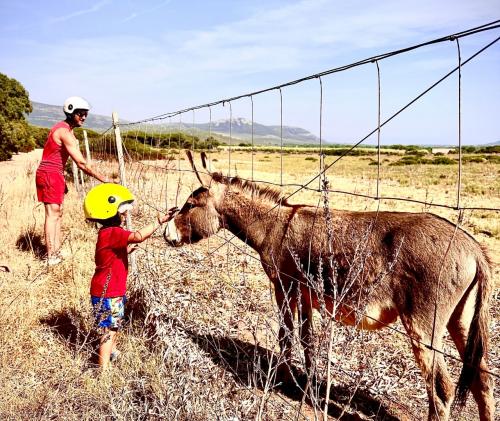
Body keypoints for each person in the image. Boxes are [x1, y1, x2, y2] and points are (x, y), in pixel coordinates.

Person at [83, 183, 178, 370]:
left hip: (109, 289)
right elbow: (139, 235)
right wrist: (159, 221)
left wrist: (125, 251)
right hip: (108, 292)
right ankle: (103, 370)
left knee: (114, 325)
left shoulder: (106, 233)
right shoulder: (114, 232)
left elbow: (107, 257)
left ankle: (111, 352)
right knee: (108, 330)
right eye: (122, 213)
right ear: (110, 212)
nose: (124, 216)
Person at [36, 96, 111, 266]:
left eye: (85, 114)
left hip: (54, 173)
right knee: (52, 214)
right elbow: (82, 163)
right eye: (80, 114)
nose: (84, 117)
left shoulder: (64, 129)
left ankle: (55, 251)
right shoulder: (64, 132)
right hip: (50, 173)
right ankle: (51, 256)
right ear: (71, 112)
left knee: (58, 212)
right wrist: (104, 180)